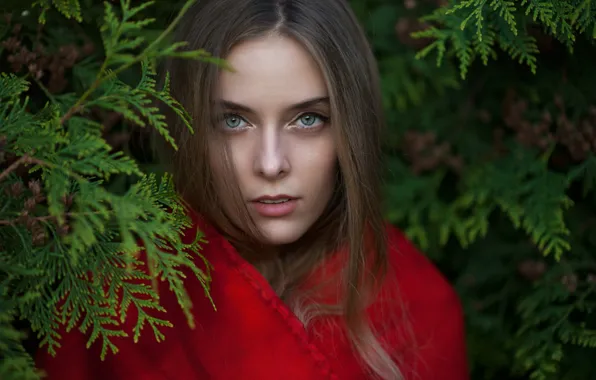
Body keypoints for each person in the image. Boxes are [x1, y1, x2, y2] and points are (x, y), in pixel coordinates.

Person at [36, 0, 468, 379]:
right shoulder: (118, 301)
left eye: (308, 119)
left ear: (350, 130)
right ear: (188, 130)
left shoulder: (418, 308)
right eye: (233, 121)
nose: (270, 163)